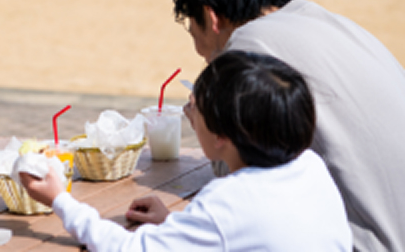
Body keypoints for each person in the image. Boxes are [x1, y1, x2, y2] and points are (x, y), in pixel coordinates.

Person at [173, 0, 405, 252]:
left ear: (210, 17)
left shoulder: (249, 47)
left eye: (194, 34)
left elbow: (241, 173)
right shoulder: (331, 22)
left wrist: (207, 122)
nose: (200, 53)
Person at [21, 51, 352, 251]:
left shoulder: (228, 200)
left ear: (222, 134)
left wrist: (59, 199)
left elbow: (127, 248)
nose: (187, 114)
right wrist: (175, 225)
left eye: (194, 107)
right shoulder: (310, 167)